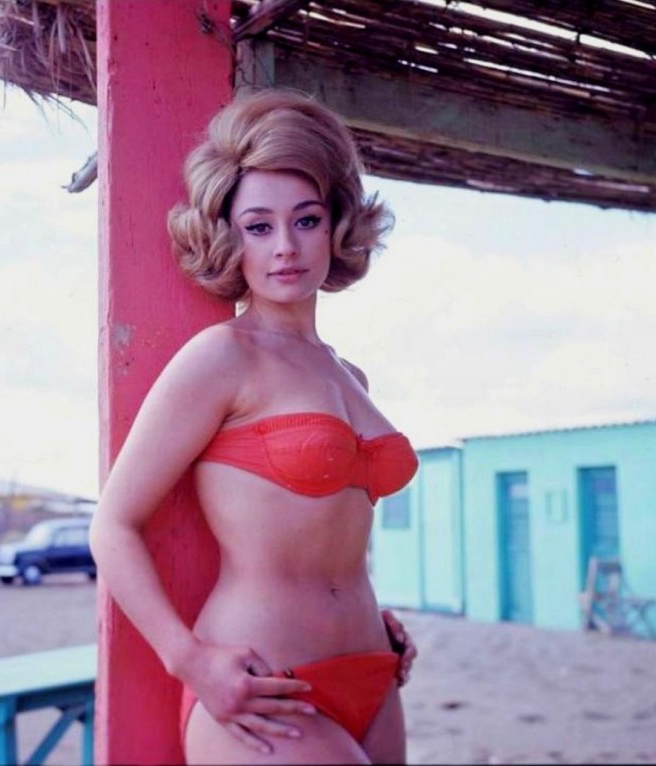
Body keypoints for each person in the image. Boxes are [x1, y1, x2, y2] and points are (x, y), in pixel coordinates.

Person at [89, 88, 419, 765]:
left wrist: (375, 620)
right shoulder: (221, 357)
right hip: (262, 686)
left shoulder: (351, 376)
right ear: (229, 237)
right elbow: (112, 525)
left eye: (306, 220)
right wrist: (189, 660)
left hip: (375, 672)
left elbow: (331, 535)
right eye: (259, 227)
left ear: (335, 225)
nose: (286, 248)